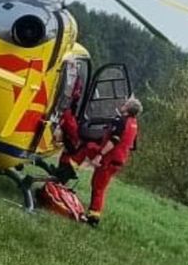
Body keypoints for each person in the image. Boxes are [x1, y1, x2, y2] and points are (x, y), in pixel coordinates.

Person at [56, 96, 142, 226]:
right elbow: (132, 145)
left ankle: (67, 173)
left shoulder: (121, 121)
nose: (123, 104)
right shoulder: (133, 123)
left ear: (128, 108)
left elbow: (114, 140)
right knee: (89, 149)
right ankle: (69, 171)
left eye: (126, 104)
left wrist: (100, 155)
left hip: (109, 158)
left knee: (98, 187)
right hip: (118, 160)